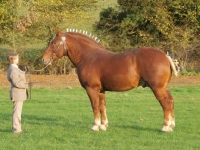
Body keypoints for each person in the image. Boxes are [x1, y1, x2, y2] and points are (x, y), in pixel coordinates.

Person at [7, 52, 32, 134]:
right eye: (17, 58)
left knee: (18, 111)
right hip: (17, 94)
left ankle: (17, 128)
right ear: (13, 60)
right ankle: (16, 129)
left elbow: (19, 76)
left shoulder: (14, 68)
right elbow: (17, 83)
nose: (18, 59)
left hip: (19, 94)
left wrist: (24, 70)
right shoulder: (13, 69)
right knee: (17, 112)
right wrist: (27, 85)